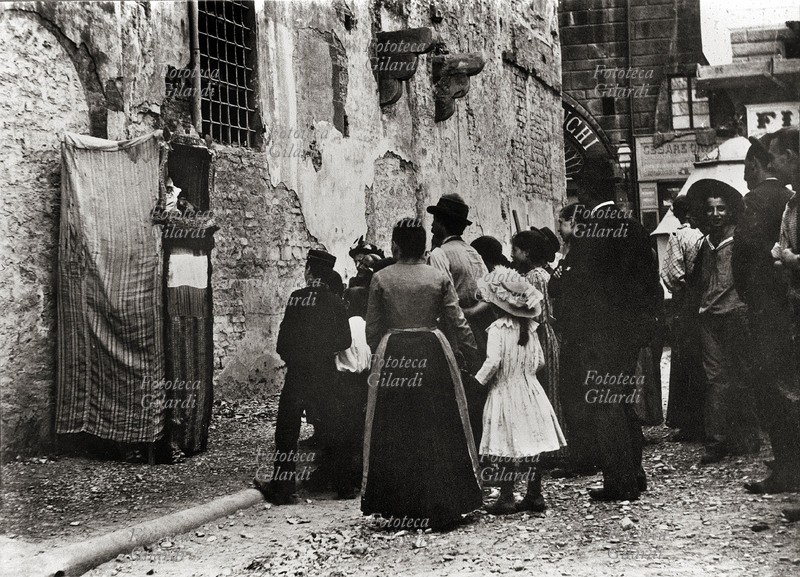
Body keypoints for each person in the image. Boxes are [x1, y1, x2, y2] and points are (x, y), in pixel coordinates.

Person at [362, 218, 482, 530]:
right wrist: (471, 354)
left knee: (396, 426)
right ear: (424, 245)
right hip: (433, 352)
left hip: (394, 353)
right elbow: (457, 321)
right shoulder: (437, 277)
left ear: (395, 246)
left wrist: (380, 355)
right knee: (438, 422)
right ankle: (444, 503)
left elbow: (372, 329)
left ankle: (400, 506)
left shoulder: (380, 278)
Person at [558, 158, 661, 500]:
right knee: (622, 402)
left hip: (598, 335)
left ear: (587, 190)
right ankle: (634, 473)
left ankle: (620, 482)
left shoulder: (591, 230)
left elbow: (579, 287)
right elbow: (650, 283)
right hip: (628, 334)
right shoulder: (634, 227)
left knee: (605, 405)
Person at [254, 250, 351, 505]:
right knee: (333, 425)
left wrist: (294, 357)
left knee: (287, 430)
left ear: (309, 271)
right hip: (325, 373)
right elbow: (345, 340)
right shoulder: (336, 302)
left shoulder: (297, 298)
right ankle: (344, 484)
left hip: (298, 373)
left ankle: (283, 487)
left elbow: (283, 341)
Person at [474, 267, 566, 515]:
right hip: (531, 391)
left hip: (505, 391)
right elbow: (540, 362)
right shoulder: (530, 328)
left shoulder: (497, 329)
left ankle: (506, 496)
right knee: (532, 445)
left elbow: (493, 362)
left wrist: (478, 381)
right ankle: (534, 494)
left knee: (505, 445)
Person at [686, 180, 760, 465]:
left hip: (735, 314)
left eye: (721, 209)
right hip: (709, 319)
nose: (716, 214)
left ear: (730, 211)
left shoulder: (739, 241)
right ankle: (716, 441)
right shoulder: (705, 244)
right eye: (710, 209)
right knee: (715, 379)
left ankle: (746, 437)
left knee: (741, 376)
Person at [427, 193, 490, 445]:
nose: (432, 226)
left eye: (435, 221)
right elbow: (491, 294)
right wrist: (474, 312)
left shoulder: (439, 254)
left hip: (455, 335)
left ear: (442, 224)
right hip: (482, 331)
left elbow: (444, 301)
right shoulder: (474, 253)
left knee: (456, 394)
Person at [510, 230, 564, 454]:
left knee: (545, 391)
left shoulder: (534, 277)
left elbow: (536, 314)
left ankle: (551, 450)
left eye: (515, 250)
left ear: (526, 252)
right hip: (544, 334)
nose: (512, 255)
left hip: (539, 336)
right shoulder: (541, 274)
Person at [662, 195, 705, 441]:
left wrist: (683, 291)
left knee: (685, 362)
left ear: (677, 214)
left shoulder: (679, 236)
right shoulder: (704, 234)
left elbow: (672, 274)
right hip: (707, 299)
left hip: (687, 303)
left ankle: (689, 424)